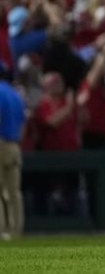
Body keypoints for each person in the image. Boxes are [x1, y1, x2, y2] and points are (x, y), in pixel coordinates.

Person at [0, 64, 26, 240]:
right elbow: (23, 123)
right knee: (14, 191)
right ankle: (16, 229)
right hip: (14, 144)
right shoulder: (15, 94)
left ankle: (2, 228)